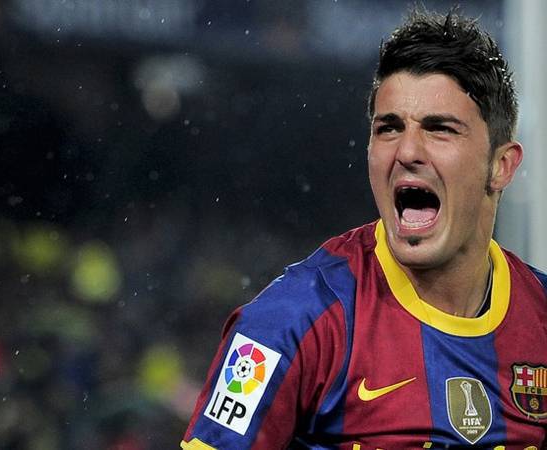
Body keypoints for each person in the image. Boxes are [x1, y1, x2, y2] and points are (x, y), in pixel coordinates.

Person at [181, 9, 547, 449]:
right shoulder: (288, 323)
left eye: (439, 129)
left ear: (501, 165)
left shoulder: (541, 317)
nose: (407, 151)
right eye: (388, 128)